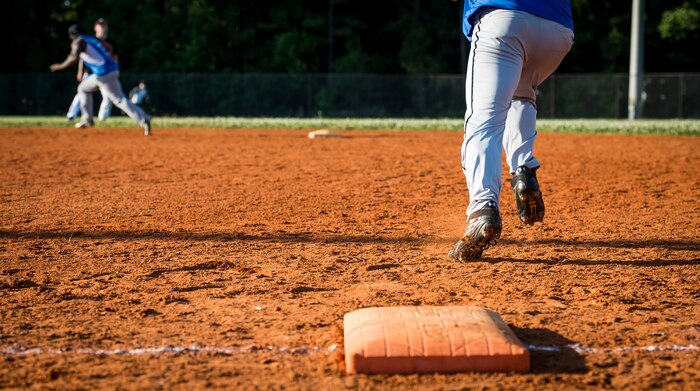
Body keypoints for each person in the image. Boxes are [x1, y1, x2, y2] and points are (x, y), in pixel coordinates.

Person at [447, 1, 574, 261]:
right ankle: (523, 170)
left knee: (484, 121)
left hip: (503, 19)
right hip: (558, 30)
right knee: (521, 92)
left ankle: (482, 211)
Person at [50, 24, 152, 136]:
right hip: (106, 72)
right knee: (83, 88)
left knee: (119, 99)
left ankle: (144, 119)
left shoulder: (79, 41)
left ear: (72, 35)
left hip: (105, 73)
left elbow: (74, 57)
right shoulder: (89, 39)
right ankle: (87, 119)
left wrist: (61, 66)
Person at [65, 18, 119, 122]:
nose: (102, 27)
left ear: (107, 27)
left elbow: (115, 57)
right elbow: (81, 55)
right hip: (90, 72)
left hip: (106, 73)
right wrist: (80, 71)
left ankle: (102, 119)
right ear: (95, 27)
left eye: (104, 25)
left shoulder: (111, 42)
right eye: (99, 25)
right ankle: (71, 115)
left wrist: (117, 70)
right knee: (81, 92)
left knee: (108, 96)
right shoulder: (90, 40)